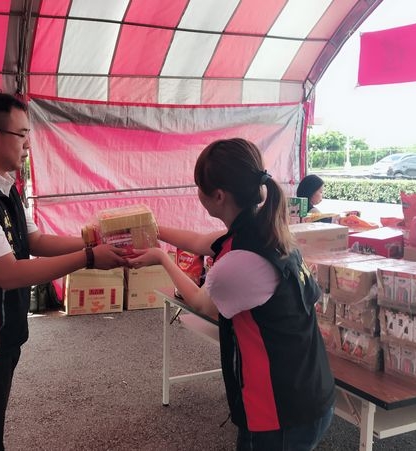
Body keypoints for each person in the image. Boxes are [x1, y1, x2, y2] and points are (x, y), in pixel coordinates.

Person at [0, 92, 127, 451]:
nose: (28, 145)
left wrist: (95, 241)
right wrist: (89, 257)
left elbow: (34, 241)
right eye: (22, 134)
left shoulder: (3, 186)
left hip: (0, 337)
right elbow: (9, 273)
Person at [128, 138, 335, 451]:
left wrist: (161, 258)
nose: (197, 193)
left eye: (199, 186)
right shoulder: (263, 227)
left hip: (280, 411)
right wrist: (148, 229)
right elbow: (198, 241)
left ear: (218, 196)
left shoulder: (238, 262)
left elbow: (201, 303)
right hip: (310, 389)